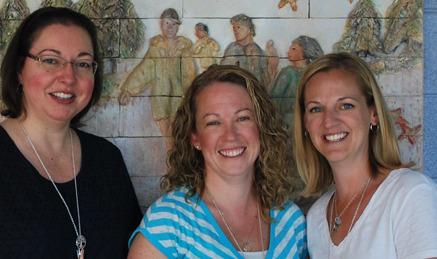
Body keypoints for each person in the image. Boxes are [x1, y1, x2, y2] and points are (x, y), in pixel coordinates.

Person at [0, 7, 142, 258]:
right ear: (20, 70)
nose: (68, 77)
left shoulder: (108, 160)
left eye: (82, 64)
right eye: (50, 60)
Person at [128, 65, 307, 259]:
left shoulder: (292, 222)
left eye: (243, 118)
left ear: (261, 128)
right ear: (195, 138)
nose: (230, 135)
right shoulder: (168, 223)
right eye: (213, 122)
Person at [293, 53, 437, 258]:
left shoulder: (412, 195)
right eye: (316, 109)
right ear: (305, 123)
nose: (329, 121)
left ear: (373, 113)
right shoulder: (317, 215)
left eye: (346, 105)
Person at [119, 8, 197, 143]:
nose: (170, 27)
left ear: (178, 27)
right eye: (167, 23)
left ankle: (177, 162)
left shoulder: (183, 48)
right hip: (161, 104)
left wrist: (192, 97)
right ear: (161, 24)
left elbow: (189, 75)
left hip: (180, 103)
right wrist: (128, 89)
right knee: (167, 139)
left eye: (174, 24)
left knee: (180, 138)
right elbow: (144, 70)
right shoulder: (156, 47)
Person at [270, 35, 323, 125]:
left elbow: (274, 97)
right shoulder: (313, 72)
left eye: (293, 49)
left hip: (289, 119)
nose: (288, 51)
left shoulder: (288, 72)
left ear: (304, 52)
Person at [220, 14, 267, 87]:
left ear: (249, 29)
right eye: (234, 28)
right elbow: (223, 72)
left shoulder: (258, 50)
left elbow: (266, 77)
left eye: (238, 27)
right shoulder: (232, 48)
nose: (235, 30)